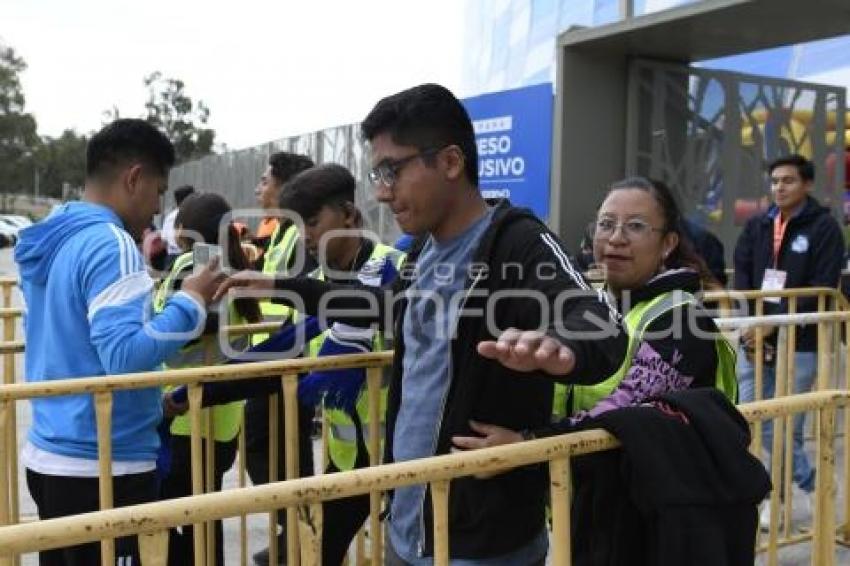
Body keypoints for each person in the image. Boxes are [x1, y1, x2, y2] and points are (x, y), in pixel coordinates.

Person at [216, 83, 626, 565]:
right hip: (411, 527)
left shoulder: (516, 243)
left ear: (451, 162)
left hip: (481, 541)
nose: (381, 192)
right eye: (377, 171)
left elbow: (600, 324)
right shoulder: (422, 253)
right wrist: (284, 289)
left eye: (393, 170)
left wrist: (561, 345)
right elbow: (384, 308)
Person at [14, 119, 220, 566]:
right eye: (158, 191)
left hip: (51, 454)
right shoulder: (112, 244)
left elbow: (75, 345)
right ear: (134, 178)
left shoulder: (55, 236)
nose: (157, 208)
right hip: (105, 465)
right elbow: (123, 355)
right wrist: (192, 301)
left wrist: (152, 401)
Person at [454, 175, 737, 439]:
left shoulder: (682, 319)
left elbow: (627, 409)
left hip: (648, 486)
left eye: (636, 226)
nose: (615, 238)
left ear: (668, 244)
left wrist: (528, 444)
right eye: (606, 224)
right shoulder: (584, 306)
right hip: (578, 483)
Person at [733, 153, 844, 527]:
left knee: (785, 426)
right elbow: (743, 272)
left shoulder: (824, 227)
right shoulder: (759, 225)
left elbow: (824, 285)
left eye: (788, 181)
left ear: (807, 185)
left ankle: (783, 499)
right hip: (755, 339)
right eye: (775, 181)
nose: (779, 187)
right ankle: (806, 485)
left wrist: (775, 325)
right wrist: (752, 322)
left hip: (803, 342)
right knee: (751, 416)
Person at [155, 192, 261, 565]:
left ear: (183, 228)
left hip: (185, 414)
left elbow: (165, 334)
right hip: (223, 420)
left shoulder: (189, 265)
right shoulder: (238, 264)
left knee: (174, 519)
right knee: (206, 515)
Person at [252, 151, 315, 267]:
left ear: (285, 189)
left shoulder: (306, 239)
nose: (257, 190)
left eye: (265, 183)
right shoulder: (279, 231)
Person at [160, 184, 196, 267]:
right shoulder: (194, 215)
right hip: (189, 257)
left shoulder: (170, 217)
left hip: (171, 257)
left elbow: (164, 240)